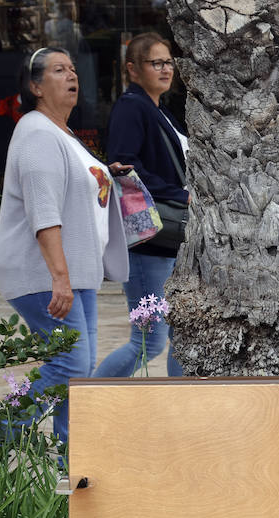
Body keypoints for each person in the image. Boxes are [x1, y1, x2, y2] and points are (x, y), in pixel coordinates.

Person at [0, 46, 128, 447]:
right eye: (57, 70)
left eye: (72, 69)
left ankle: (73, 462)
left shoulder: (61, 132)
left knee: (78, 369)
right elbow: (44, 212)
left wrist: (108, 175)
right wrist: (60, 279)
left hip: (76, 271)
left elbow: (75, 185)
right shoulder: (36, 133)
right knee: (70, 362)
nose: (71, 76)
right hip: (43, 274)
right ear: (35, 86)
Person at [94, 32, 187, 378]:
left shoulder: (157, 108)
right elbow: (126, 166)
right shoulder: (132, 107)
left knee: (182, 332)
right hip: (149, 240)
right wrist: (180, 195)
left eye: (169, 62)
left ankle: (180, 408)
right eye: (156, 62)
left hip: (166, 239)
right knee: (148, 340)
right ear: (133, 69)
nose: (165, 69)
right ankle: (89, 404)